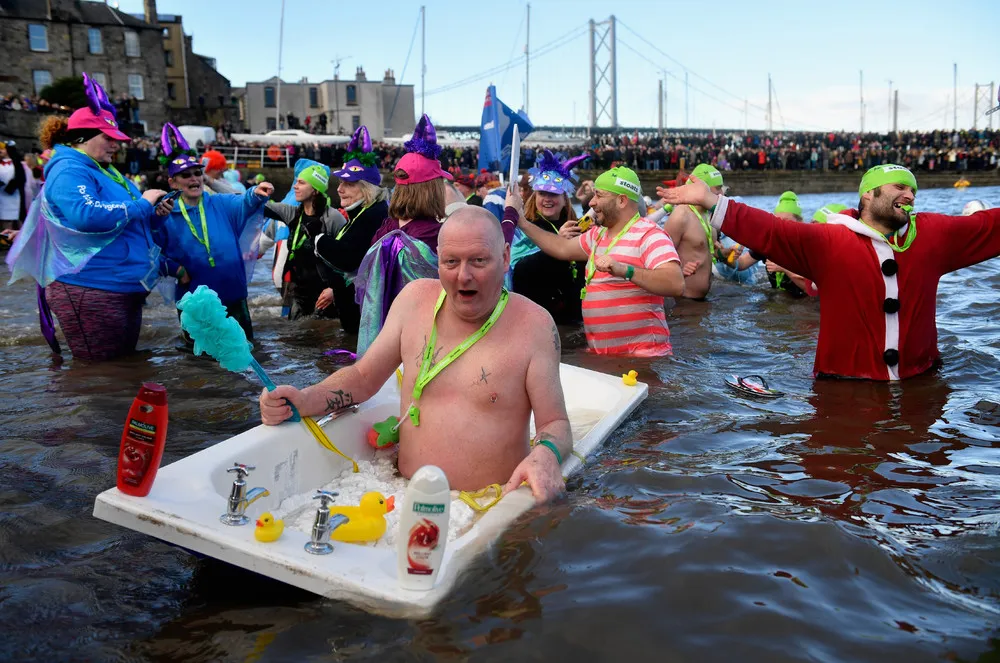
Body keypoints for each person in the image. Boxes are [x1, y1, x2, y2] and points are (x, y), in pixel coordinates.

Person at [259, 206, 570, 503]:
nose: (463, 276)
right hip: (402, 491)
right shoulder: (414, 300)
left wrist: (546, 455)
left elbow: (554, 422)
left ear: (504, 257)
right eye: (451, 262)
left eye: (478, 260)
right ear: (438, 261)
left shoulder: (534, 326)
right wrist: (306, 399)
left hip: (486, 505)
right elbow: (364, 377)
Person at [657, 163, 1000, 381]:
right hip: (846, 385)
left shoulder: (931, 236)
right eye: (899, 187)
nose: (910, 195)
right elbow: (772, 231)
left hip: (920, 381)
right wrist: (714, 202)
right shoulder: (829, 239)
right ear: (869, 193)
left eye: (913, 189)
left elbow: (988, 227)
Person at [5, 73, 173, 360]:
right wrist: (143, 204)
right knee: (101, 378)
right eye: (109, 138)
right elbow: (86, 215)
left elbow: (128, 221)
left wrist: (155, 215)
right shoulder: (69, 169)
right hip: (90, 287)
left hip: (120, 285)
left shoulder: (106, 171)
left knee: (119, 372)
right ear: (82, 138)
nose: (116, 145)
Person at [510, 166, 685, 356]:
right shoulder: (597, 234)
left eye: (599, 196)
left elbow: (675, 283)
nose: (592, 202)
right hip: (602, 354)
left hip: (642, 358)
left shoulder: (650, 235)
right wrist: (522, 222)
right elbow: (561, 248)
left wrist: (626, 270)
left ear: (621, 200)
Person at [153, 123, 273, 343]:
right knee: (201, 367)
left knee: (244, 356)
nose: (194, 179)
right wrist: (176, 270)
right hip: (195, 305)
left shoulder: (220, 203)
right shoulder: (164, 214)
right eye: (185, 175)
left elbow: (244, 202)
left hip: (233, 297)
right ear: (172, 182)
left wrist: (256, 193)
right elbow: (147, 252)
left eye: (197, 173)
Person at [354, 114, 451, 354]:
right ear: (433, 190)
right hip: (425, 342)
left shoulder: (386, 228)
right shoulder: (436, 235)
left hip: (386, 340)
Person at [314, 125, 389, 335]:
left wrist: (319, 240)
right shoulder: (365, 212)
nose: (339, 189)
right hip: (357, 317)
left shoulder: (374, 215)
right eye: (340, 182)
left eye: (348, 184)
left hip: (366, 323)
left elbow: (348, 257)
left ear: (366, 188)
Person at [511, 150, 589, 324]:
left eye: (553, 194)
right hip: (539, 320)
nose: (547, 199)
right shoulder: (525, 228)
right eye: (542, 193)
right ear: (535, 196)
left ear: (564, 198)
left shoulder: (575, 226)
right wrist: (559, 246)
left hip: (576, 319)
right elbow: (518, 272)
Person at [262, 164, 347, 320]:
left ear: (315, 190)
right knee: (294, 340)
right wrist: (256, 194)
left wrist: (335, 290)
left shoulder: (333, 218)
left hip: (324, 294)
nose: (295, 186)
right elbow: (257, 207)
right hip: (299, 292)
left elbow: (349, 259)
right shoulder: (292, 214)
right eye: (296, 182)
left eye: (301, 182)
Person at [662, 163, 723, 300]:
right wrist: (680, 271)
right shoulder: (680, 216)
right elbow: (659, 259)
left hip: (703, 299)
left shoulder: (709, 215)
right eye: (718, 188)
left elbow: (703, 252)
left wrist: (723, 253)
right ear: (702, 189)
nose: (722, 194)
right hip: (683, 300)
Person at [0, 140, 34, 231]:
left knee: (15, 219)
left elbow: (21, 178)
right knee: (4, 220)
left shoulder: (17, 163)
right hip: (1, 197)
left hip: (14, 196)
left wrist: (10, 187)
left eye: (2, 149)